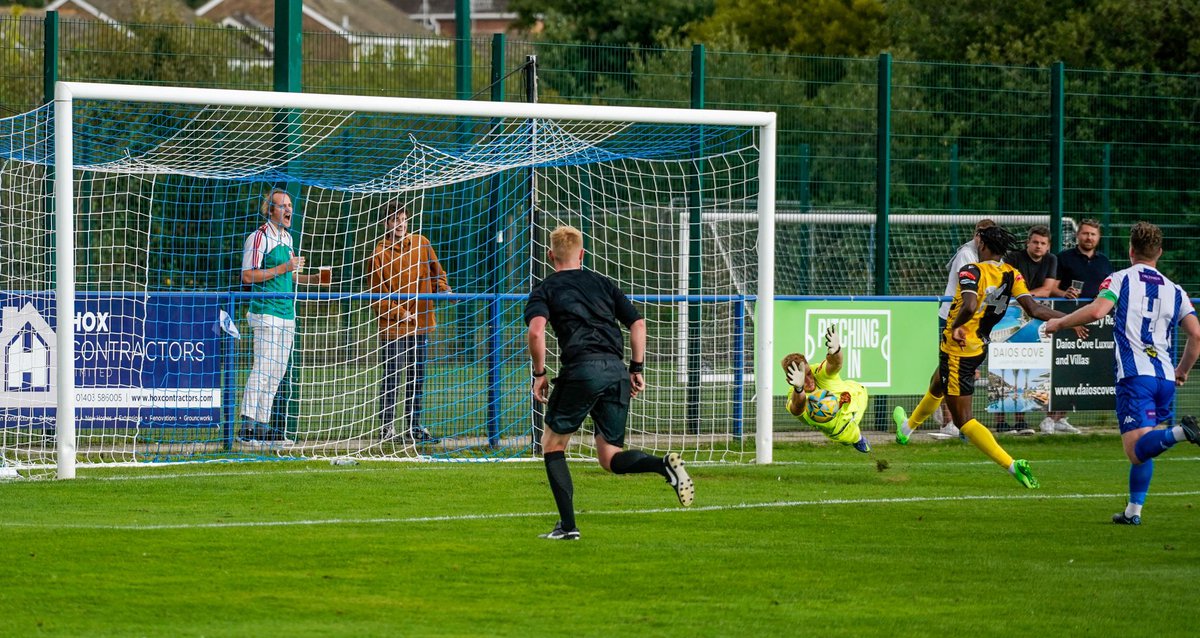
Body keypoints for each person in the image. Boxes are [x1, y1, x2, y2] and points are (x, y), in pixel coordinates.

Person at [525, 225, 693, 541]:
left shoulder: (545, 288)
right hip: (616, 370)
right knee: (610, 457)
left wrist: (539, 373)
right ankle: (662, 467)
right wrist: (636, 368)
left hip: (581, 369)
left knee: (552, 444)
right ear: (583, 254)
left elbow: (536, 332)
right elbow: (638, 323)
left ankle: (568, 527)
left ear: (550, 256)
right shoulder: (603, 283)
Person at [892, 225, 1075, 488]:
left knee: (963, 420)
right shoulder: (1011, 273)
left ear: (983, 245)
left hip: (959, 348)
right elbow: (1034, 308)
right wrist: (1072, 319)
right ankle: (905, 431)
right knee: (937, 382)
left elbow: (968, 305)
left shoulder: (972, 271)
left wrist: (955, 327)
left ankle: (1013, 466)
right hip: (978, 347)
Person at [1044, 221, 1200, 525]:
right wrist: (1182, 370)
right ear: (1160, 252)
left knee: (1136, 451)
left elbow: (1097, 311)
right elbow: (1196, 334)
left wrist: (1058, 323)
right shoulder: (1175, 289)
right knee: (1147, 445)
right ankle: (1133, 512)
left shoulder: (1119, 279)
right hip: (1164, 377)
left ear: (1130, 250)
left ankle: (1184, 432)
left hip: (1135, 377)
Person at [239, 188, 329, 445]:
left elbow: (287, 276)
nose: (288, 210)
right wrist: (284, 267)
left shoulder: (288, 239)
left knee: (277, 371)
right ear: (270, 210)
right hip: (265, 311)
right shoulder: (258, 238)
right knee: (263, 368)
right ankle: (247, 425)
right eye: (283, 206)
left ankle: (262, 425)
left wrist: (313, 280)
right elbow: (248, 276)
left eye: (290, 205)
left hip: (287, 313)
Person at [369, 204, 452, 442]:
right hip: (393, 326)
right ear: (386, 224)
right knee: (392, 375)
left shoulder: (421, 243)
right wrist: (400, 313)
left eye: (403, 219)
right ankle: (386, 428)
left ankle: (414, 426)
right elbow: (377, 296)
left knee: (417, 375)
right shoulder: (379, 253)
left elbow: (438, 274)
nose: (400, 224)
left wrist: (443, 290)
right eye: (395, 220)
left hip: (421, 323)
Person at [1001, 224, 1075, 434]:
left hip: (1036, 317)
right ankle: (1000, 421)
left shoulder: (1051, 260)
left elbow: (1047, 289)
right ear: (1028, 242)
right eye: (1035, 242)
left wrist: (1025, 297)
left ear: (1048, 246)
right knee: (1005, 365)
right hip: (1009, 316)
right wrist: (1026, 299)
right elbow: (1006, 286)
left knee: (1028, 367)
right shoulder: (1014, 258)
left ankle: (1021, 421)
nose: (1038, 246)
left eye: (1043, 243)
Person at [934, 218, 996, 437]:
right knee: (954, 370)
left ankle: (945, 415)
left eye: (987, 233)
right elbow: (970, 291)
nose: (982, 237)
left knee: (953, 370)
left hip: (972, 319)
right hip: (954, 318)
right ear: (976, 234)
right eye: (980, 233)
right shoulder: (966, 255)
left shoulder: (991, 256)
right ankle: (952, 421)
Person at [780, 324, 872, 453]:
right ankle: (858, 439)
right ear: (790, 381)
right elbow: (797, 408)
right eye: (801, 379)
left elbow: (835, 363)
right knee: (851, 437)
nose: (808, 380)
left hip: (858, 396)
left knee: (853, 385)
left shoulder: (818, 371)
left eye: (808, 373)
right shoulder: (793, 396)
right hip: (842, 428)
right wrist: (799, 388)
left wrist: (836, 350)